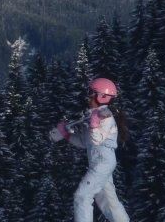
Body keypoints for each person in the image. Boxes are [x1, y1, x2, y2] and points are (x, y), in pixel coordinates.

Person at [49, 77, 130, 222]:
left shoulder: (106, 117)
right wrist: (67, 135)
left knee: (82, 196)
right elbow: (83, 142)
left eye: (91, 92)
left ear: (102, 97)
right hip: (98, 163)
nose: (88, 96)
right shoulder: (93, 116)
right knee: (108, 202)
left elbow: (97, 139)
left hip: (102, 163)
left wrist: (93, 124)